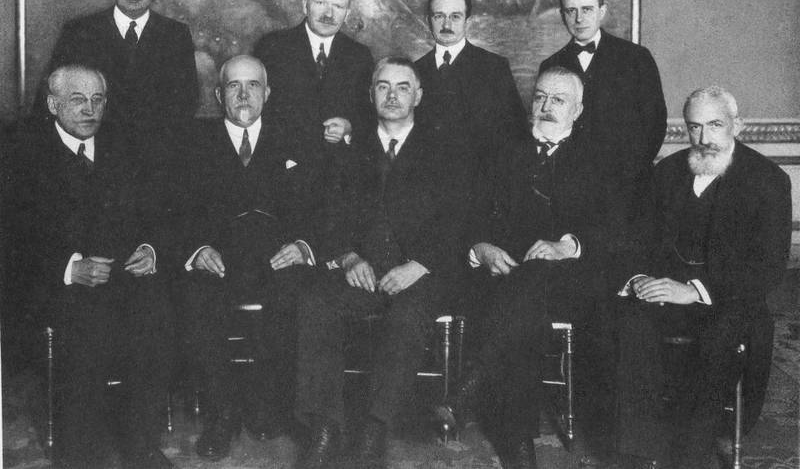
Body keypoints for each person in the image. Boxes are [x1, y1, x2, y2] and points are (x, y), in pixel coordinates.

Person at [432, 67, 615, 469]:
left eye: (559, 100)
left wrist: (567, 245)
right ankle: (518, 451)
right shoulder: (501, 150)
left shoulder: (598, 158)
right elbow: (468, 216)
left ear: (578, 110)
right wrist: (481, 248)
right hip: (501, 276)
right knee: (519, 314)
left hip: (569, 282)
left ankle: (468, 391)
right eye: (540, 97)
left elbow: (611, 228)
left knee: (524, 293)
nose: (546, 107)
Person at [294, 57, 472, 469]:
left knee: (407, 318)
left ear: (418, 95)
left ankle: (375, 431)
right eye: (383, 86)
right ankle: (325, 428)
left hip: (420, 275)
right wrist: (349, 257)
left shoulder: (444, 151)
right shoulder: (348, 152)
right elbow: (329, 215)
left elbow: (458, 220)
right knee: (315, 302)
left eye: (403, 87)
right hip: (363, 272)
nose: (392, 96)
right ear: (370, 93)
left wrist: (419, 265)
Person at [5, 65, 174, 469]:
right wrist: (70, 269)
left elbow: (158, 214)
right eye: (78, 100)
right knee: (86, 324)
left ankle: (141, 445)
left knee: (157, 314)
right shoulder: (21, 153)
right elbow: (12, 239)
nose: (89, 110)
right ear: (52, 104)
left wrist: (150, 250)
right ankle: (81, 451)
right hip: (55, 284)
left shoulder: (123, 146)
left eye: (98, 100)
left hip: (123, 276)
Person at [615, 87, 791, 469]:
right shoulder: (666, 172)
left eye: (715, 125)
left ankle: (690, 458)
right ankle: (640, 453)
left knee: (719, 338)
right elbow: (638, 242)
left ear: (737, 126)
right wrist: (640, 278)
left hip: (730, 299)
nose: (704, 137)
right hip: (667, 291)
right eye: (694, 127)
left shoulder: (768, 180)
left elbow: (769, 267)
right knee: (629, 322)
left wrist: (695, 291)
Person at [175, 55, 326, 460]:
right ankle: (222, 413)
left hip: (278, 259)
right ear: (218, 94)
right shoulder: (192, 142)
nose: (244, 94)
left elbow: (320, 206)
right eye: (234, 86)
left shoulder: (295, 138)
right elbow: (177, 209)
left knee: (297, 296)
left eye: (253, 85)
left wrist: (303, 245)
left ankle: (270, 406)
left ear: (268, 93)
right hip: (218, 259)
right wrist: (198, 249)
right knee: (196, 297)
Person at [43, 0, 199, 155]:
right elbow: (51, 98)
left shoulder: (175, 35)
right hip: (94, 155)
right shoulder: (80, 31)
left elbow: (186, 103)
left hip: (154, 156)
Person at [539, 0, 666, 225]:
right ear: (562, 15)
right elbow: (548, 128)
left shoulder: (636, 58)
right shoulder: (551, 65)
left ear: (602, 11)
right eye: (571, 11)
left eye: (587, 9)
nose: (579, 19)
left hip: (629, 190)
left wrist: (625, 175)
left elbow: (654, 124)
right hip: (570, 191)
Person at [253, 0, 374, 159]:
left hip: (340, 169)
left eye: (338, 6)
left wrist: (349, 127)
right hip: (282, 166)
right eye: (320, 3)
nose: (329, 14)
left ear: (347, 13)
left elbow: (369, 116)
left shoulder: (360, 56)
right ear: (305, 5)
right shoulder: (272, 47)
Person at [414, 0, 529, 186]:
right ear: (428, 20)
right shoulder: (415, 71)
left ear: (468, 21)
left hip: (480, 189)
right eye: (439, 16)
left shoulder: (494, 68)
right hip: (427, 188)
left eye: (455, 16)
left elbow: (517, 135)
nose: (446, 24)